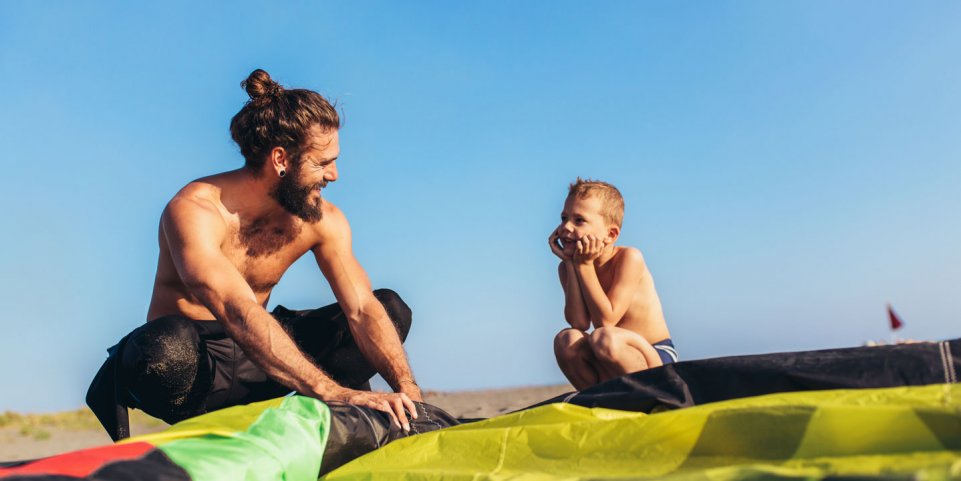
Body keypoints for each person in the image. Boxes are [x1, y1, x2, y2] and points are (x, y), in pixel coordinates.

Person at [87, 69, 421, 440]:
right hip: (194, 370)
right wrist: (330, 390)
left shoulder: (322, 219)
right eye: (322, 162)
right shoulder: (197, 210)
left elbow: (361, 308)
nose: (334, 175)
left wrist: (407, 388)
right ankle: (214, 432)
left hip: (260, 359)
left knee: (388, 308)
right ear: (281, 159)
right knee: (164, 346)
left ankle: (332, 424)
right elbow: (234, 307)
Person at [548, 178, 676, 390]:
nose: (566, 227)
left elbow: (606, 321)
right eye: (564, 218)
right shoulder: (568, 267)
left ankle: (652, 394)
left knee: (605, 337)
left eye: (579, 220)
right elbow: (579, 323)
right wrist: (571, 264)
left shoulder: (628, 258)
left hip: (654, 356)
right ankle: (601, 396)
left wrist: (585, 266)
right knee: (566, 340)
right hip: (608, 354)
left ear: (610, 234)